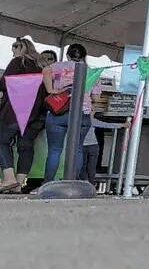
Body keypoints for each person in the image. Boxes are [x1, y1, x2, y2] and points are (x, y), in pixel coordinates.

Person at [42, 43, 101, 184]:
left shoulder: (58, 67)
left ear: (67, 55)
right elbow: (96, 98)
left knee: (55, 150)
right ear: (84, 56)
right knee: (78, 149)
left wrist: (51, 90)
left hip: (59, 112)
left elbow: (45, 70)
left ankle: (48, 183)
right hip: (82, 113)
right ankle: (72, 183)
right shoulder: (91, 72)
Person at [0, 38, 46, 193]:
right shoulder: (41, 66)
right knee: (26, 147)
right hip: (36, 115)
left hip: (15, 111)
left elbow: (3, 84)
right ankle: (18, 184)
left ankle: (9, 179)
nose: (12, 52)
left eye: (14, 48)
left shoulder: (18, 62)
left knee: (1, 141)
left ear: (21, 48)